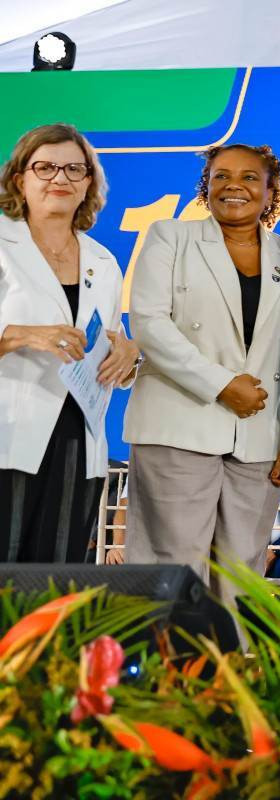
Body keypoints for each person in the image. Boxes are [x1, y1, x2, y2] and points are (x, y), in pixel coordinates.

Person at [124, 144, 280, 608]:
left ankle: (233, 673)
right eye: (221, 176)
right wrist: (222, 385)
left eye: (249, 178)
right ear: (206, 186)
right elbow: (149, 324)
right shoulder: (170, 237)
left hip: (260, 436)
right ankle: (165, 674)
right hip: (178, 423)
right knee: (174, 564)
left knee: (243, 571)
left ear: (271, 192)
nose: (233, 187)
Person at [0, 123, 140, 563]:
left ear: (88, 185)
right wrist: (21, 335)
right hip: (8, 433)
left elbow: (105, 340)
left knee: (55, 577)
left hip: (79, 440)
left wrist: (128, 355)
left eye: (73, 170)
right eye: (45, 167)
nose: (59, 179)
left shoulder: (104, 260)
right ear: (20, 179)